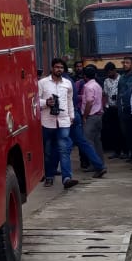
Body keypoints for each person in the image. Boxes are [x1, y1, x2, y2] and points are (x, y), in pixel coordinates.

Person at [37, 57, 79, 190]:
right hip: (47, 121)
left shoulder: (67, 83)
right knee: (49, 151)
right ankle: (49, 177)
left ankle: (67, 178)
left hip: (64, 120)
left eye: (61, 68)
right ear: (52, 68)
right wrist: (46, 103)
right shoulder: (42, 83)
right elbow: (34, 101)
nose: (59, 69)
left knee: (64, 149)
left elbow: (70, 101)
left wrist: (71, 116)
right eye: (57, 67)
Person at [78, 65, 108, 179]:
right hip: (99, 116)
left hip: (91, 116)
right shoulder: (97, 85)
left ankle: (97, 165)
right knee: (96, 141)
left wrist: (85, 116)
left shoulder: (87, 86)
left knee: (87, 141)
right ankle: (100, 163)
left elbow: (89, 102)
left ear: (84, 76)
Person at [117, 57, 132, 161]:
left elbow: (129, 91)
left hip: (131, 108)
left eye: (127, 63)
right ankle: (131, 153)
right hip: (122, 108)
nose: (125, 64)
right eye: (123, 62)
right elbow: (119, 92)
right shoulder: (122, 77)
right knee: (126, 133)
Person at [102, 62, 123, 157]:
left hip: (120, 108)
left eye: (110, 72)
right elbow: (105, 94)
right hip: (110, 108)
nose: (109, 74)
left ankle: (124, 151)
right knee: (113, 130)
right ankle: (116, 151)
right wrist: (106, 106)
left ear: (114, 70)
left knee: (122, 129)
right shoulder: (106, 81)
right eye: (107, 73)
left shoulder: (121, 79)